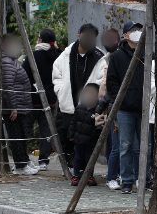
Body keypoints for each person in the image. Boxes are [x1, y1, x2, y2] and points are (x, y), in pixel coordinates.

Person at [53, 24, 106, 177]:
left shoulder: (98, 56)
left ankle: (84, 171)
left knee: (86, 141)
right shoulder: (66, 54)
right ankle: (70, 167)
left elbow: (102, 80)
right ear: (79, 36)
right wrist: (60, 90)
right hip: (68, 105)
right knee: (66, 135)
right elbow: (57, 74)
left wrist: (93, 97)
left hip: (87, 107)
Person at [106, 21, 148, 194]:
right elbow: (111, 82)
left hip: (144, 108)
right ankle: (127, 181)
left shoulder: (147, 54)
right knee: (125, 146)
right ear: (125, 35)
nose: (137, 33)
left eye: (139, 30)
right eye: (133, 31)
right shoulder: (117, 56)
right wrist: (121, 100)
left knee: (144, 147)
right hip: (124, 110)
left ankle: (144, 178)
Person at [22, 29, 60, 171]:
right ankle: (43, 161)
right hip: (49, 99)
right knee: (47, 132)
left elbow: (23, 74)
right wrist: (57, 48)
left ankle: (24, 159)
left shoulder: (33, 56)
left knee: (26, 130)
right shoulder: (56, 56)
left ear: (40, 40)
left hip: (32, 98)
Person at [1, 34, 38, 176]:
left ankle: (24, 161)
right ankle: (20, 165)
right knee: (16, 136)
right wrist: (13, 107)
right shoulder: (6, 62)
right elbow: (7, 86)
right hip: (13, 108)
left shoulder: (11, 60)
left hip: (20, 105)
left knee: (22, 135)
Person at [96, 28, 122, 190]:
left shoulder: (120, 58)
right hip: (109, 108)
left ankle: (119, 174)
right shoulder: (104, 60)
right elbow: (103, 89)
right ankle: (112, 175)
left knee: (121, 146)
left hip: (118, 105)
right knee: (114, 146)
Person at [68, 83, 105, 186]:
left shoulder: (98, 110)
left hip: (91, 140)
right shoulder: (79, 108)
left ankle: (89, 175)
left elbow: (99, 125)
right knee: (77, 157)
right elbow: (73, 122)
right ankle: (76, 175)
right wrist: (71, 134)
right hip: (78, 139)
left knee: (90, 159)